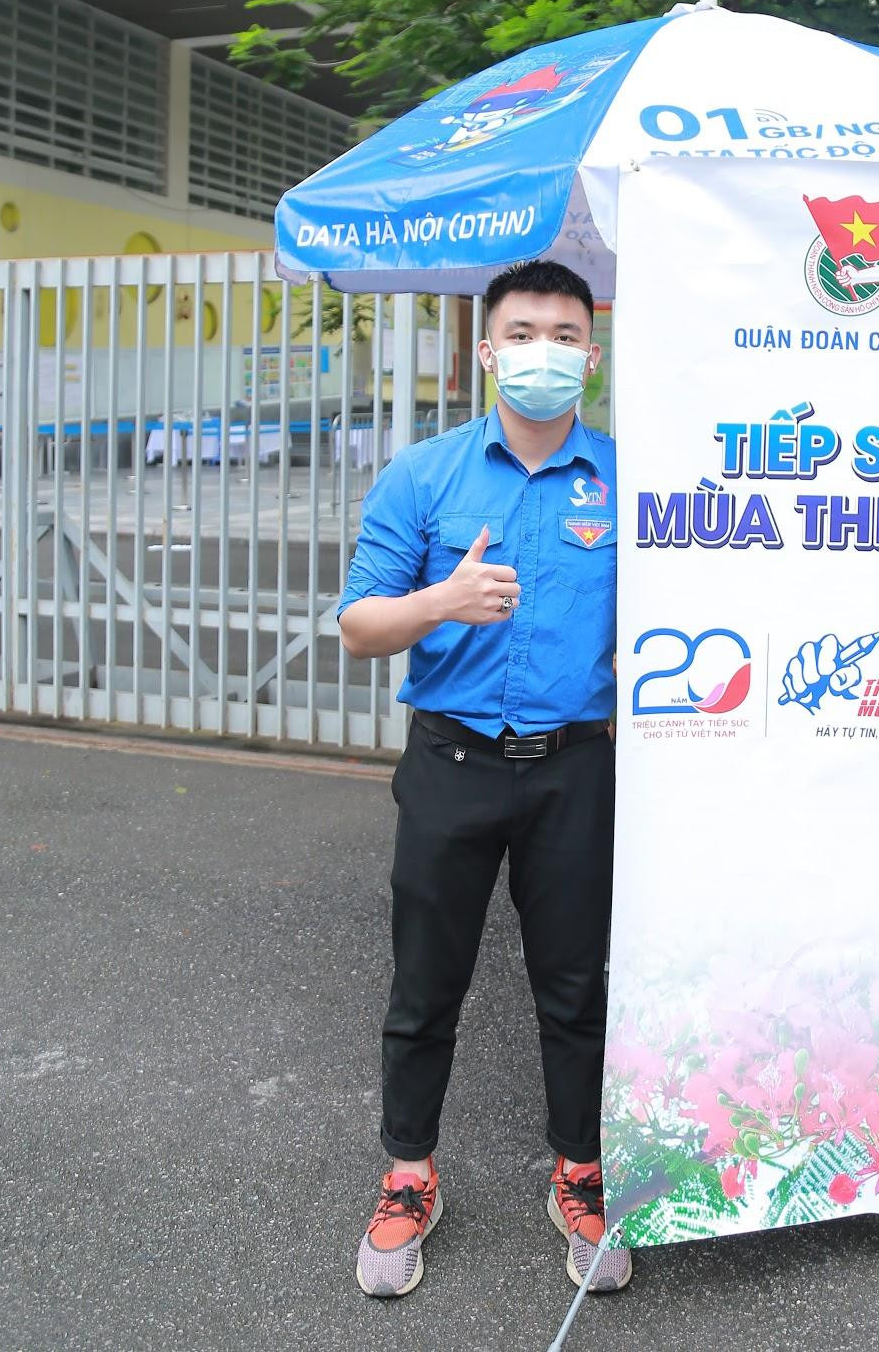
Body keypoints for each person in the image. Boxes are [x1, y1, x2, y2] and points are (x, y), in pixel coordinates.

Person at [338, 260, 631, 1299]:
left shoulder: (632, 483)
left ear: (591, 356)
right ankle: (409, 1175)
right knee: (426, 984)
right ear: (487, 351)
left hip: (577, 770)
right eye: (523, 333)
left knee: (577, 985)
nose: (544, 350)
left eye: (565, 334)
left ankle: (581, 1174)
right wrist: (442, 600)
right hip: (451, 763)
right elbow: (359, 624)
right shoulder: (424, 476)